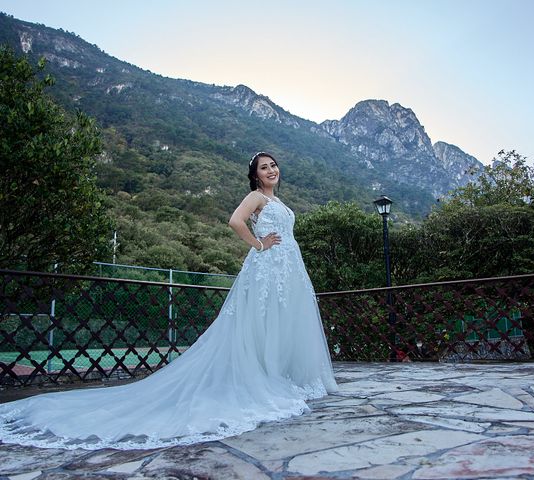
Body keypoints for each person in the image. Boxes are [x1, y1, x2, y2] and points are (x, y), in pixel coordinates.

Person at [0, 152, 338, 450]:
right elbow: (234, 221)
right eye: (264, 167)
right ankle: (262, 380)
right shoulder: (255, 197)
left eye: (274, 165)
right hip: (266, 269)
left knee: (279, 323)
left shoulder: (279, 202)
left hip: (288, 270)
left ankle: (281, 376)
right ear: (255, 175)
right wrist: (259, 244)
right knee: (258, 324)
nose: (271, 170)